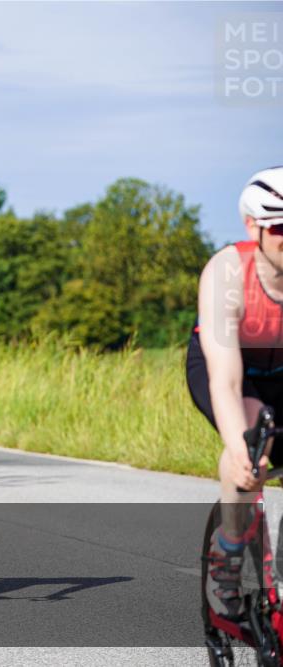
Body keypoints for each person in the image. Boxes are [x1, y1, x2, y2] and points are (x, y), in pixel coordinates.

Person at [190, 167, 283, 620]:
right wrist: (242, 451)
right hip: (232, 370)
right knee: (250, 443)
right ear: (254, 227)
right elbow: (225, 382)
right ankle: (227, 556)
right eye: (280, 227)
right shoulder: (228, 271)